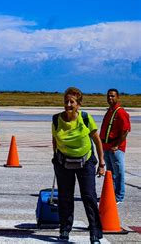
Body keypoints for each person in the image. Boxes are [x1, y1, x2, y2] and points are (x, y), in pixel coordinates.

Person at [51, 87, 105, 243]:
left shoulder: (86, 118)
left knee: (89, 196)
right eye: (66, 101)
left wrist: (101, 162)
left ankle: (95, 230)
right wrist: (55, 157)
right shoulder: (56, 119)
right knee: (65, 197)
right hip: (63, 162)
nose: (68, 104)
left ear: (78, 104)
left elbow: (97, 141)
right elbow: (55, 139)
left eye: (72, 102)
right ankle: (65, 228)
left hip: (85, 161)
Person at [99, 88, 131, 204]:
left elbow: (125, 130)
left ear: (118, 97)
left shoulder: (120, 112)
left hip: (115, 148)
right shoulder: (110, 111)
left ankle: (119, 196)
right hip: (106, 147)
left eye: (112, 96)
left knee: (119, 173)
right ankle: (110, 195)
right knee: (110, 173)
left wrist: (117, 145)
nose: (110, 98)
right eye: (108, 96)